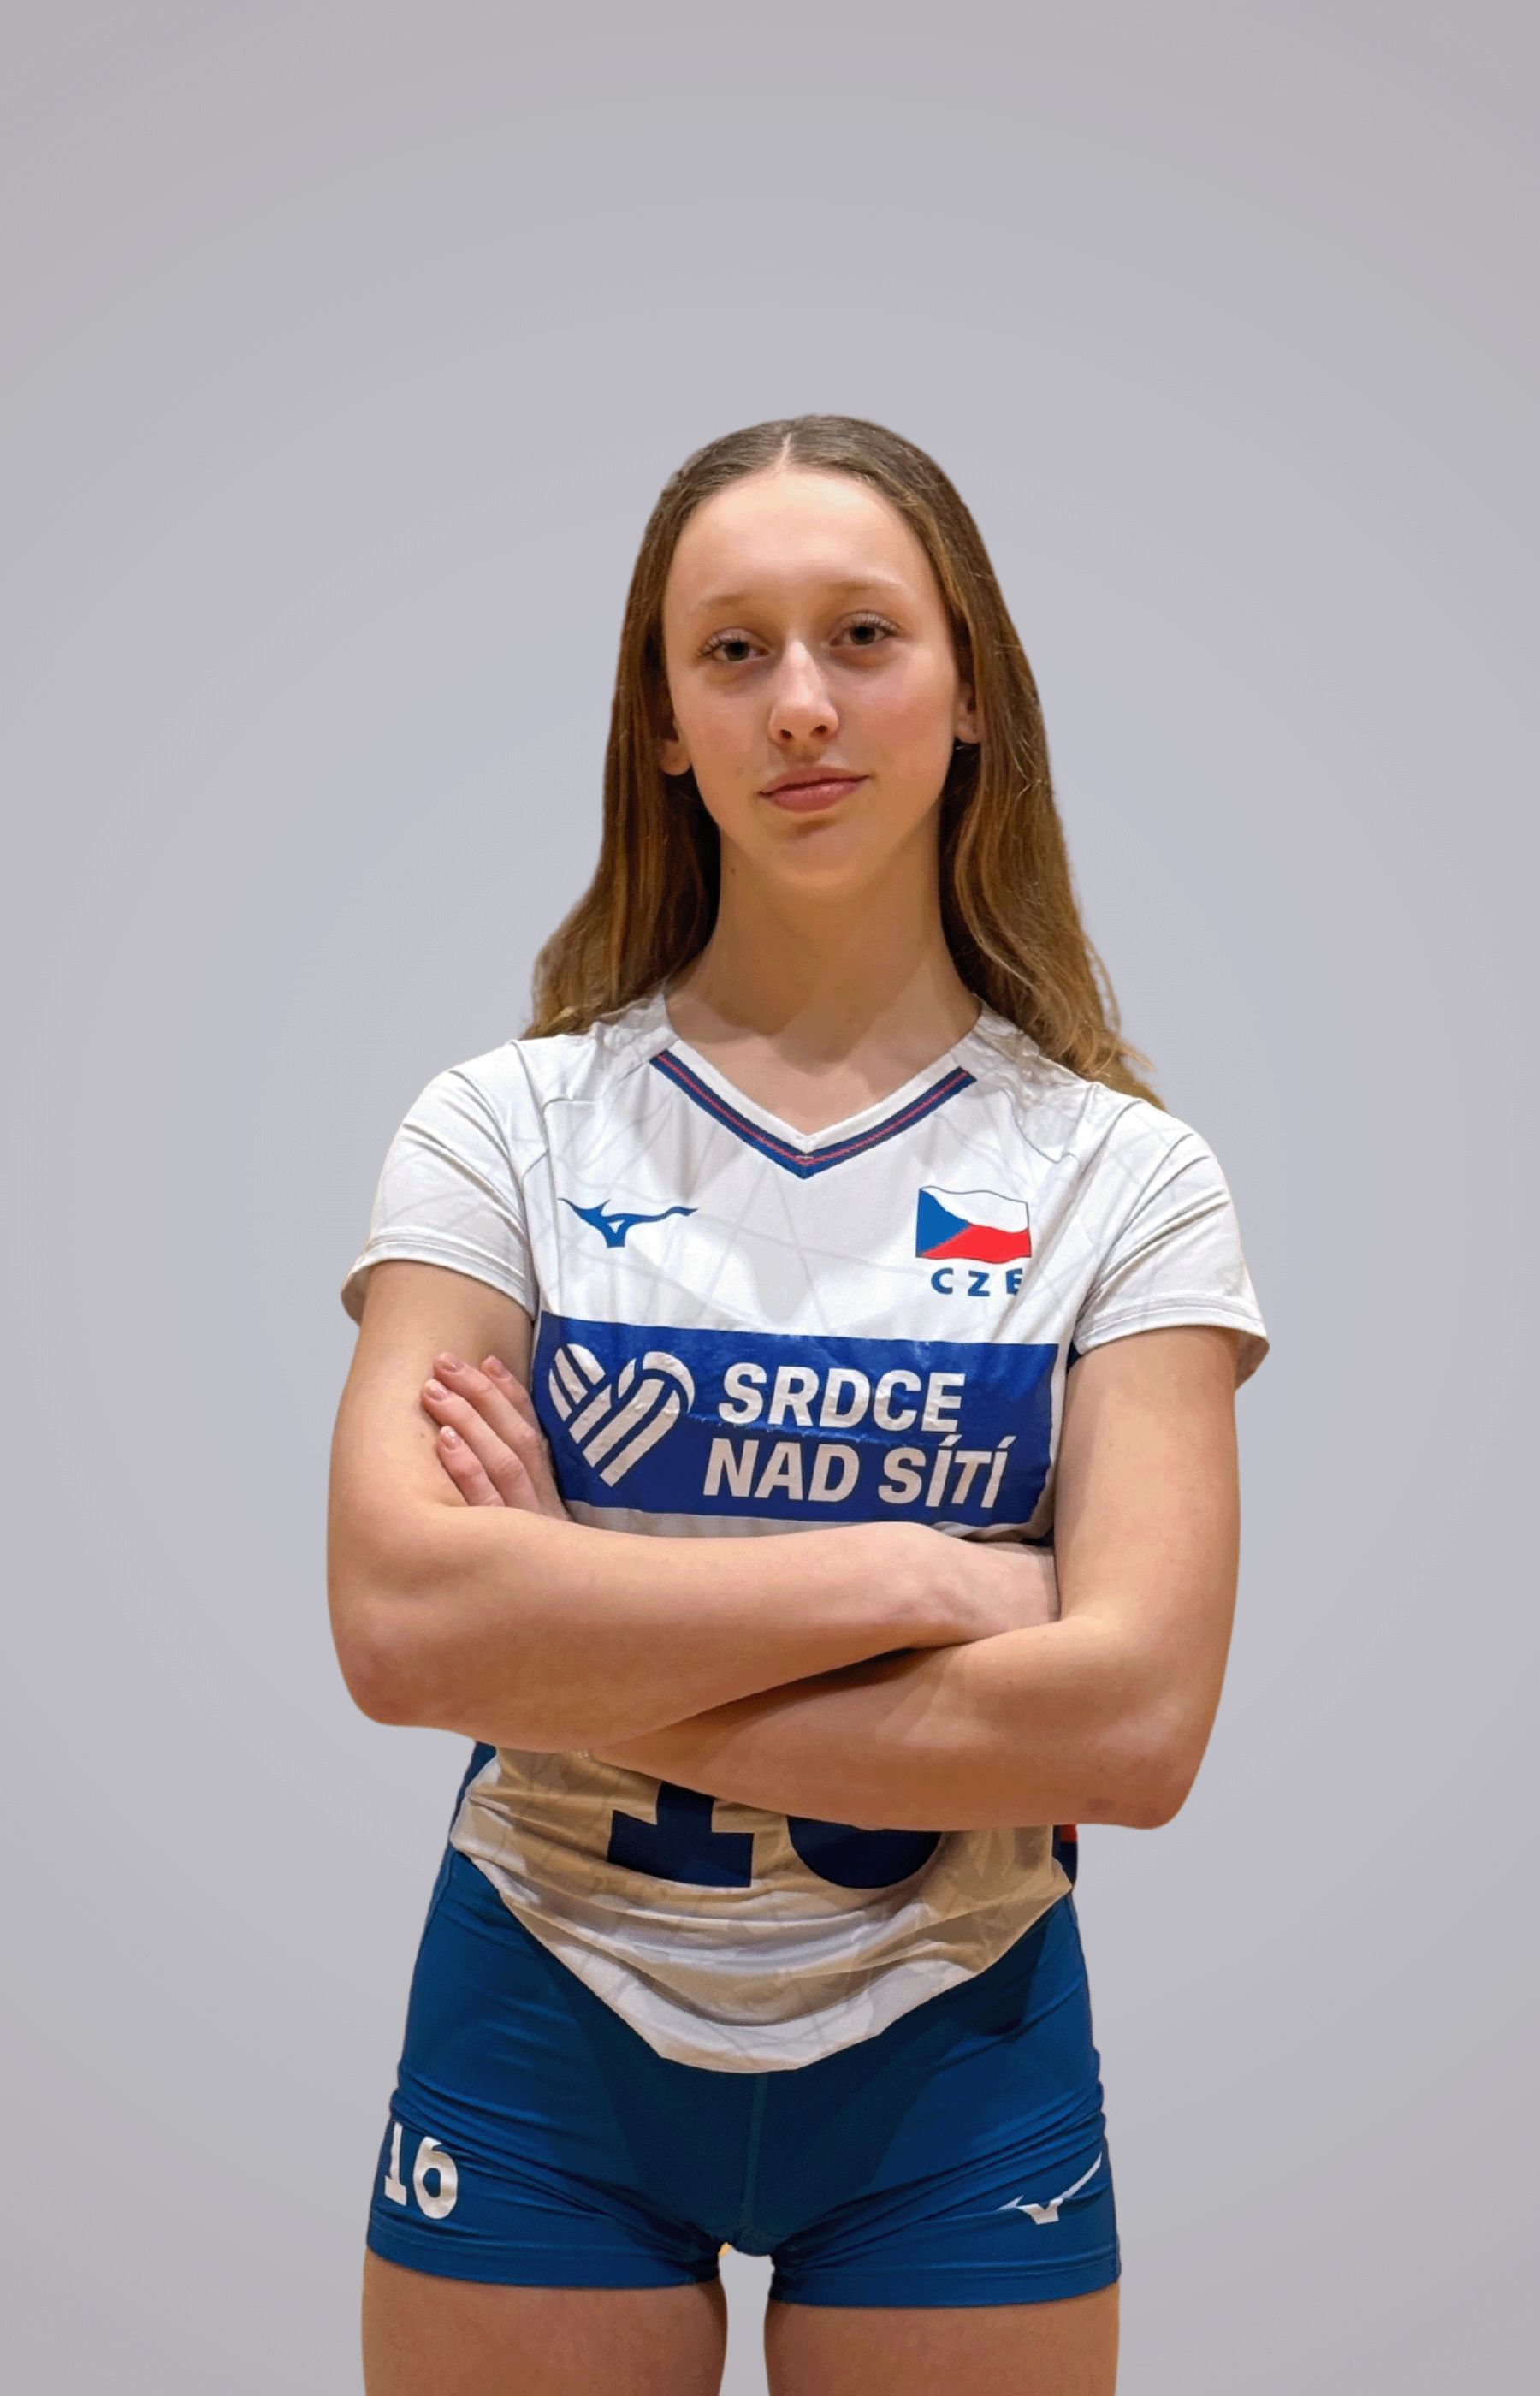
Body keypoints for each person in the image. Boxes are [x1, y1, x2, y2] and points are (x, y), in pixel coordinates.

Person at [329, 413, 1270, 2396]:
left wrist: (569, 1625)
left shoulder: (1128, 1177)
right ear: (663, 721)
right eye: (732, 650)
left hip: (957, 2040)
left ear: (972, 688)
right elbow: (404, 1622)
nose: (802, 704)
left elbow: (1134, 1722)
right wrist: (916, 1574)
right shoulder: (502, 1129)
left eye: (862, 634)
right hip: (545, 2005)